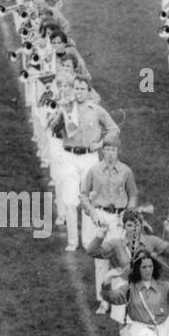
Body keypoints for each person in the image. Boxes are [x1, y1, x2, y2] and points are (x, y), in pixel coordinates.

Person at [48, 77, 120, 251]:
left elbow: (114, 129)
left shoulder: (96, 110)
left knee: (89, 199)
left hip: (89, 156)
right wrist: (60, 112)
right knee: (70, 200)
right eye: (77, 88)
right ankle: (73, 241)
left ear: (88, 91)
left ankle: (88, 240)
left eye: (82, 88)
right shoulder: (66, 107)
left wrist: (101, 143)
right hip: (69, 155)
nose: (79, 92)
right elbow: (52, 128)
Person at [79, 137, 138, 313]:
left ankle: (121, 297)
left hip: (119, 218)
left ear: (118, 151)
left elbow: (133, 194)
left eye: (114, 150)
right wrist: (93, 213)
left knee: (121, 259)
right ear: (102, 150)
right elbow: (83, 194)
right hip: (102, 217)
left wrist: (129, 214)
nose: (110, 153)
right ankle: (103, 300)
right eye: (107, 149)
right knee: (101, 260)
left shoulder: (126, 171)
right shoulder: (94, 171)